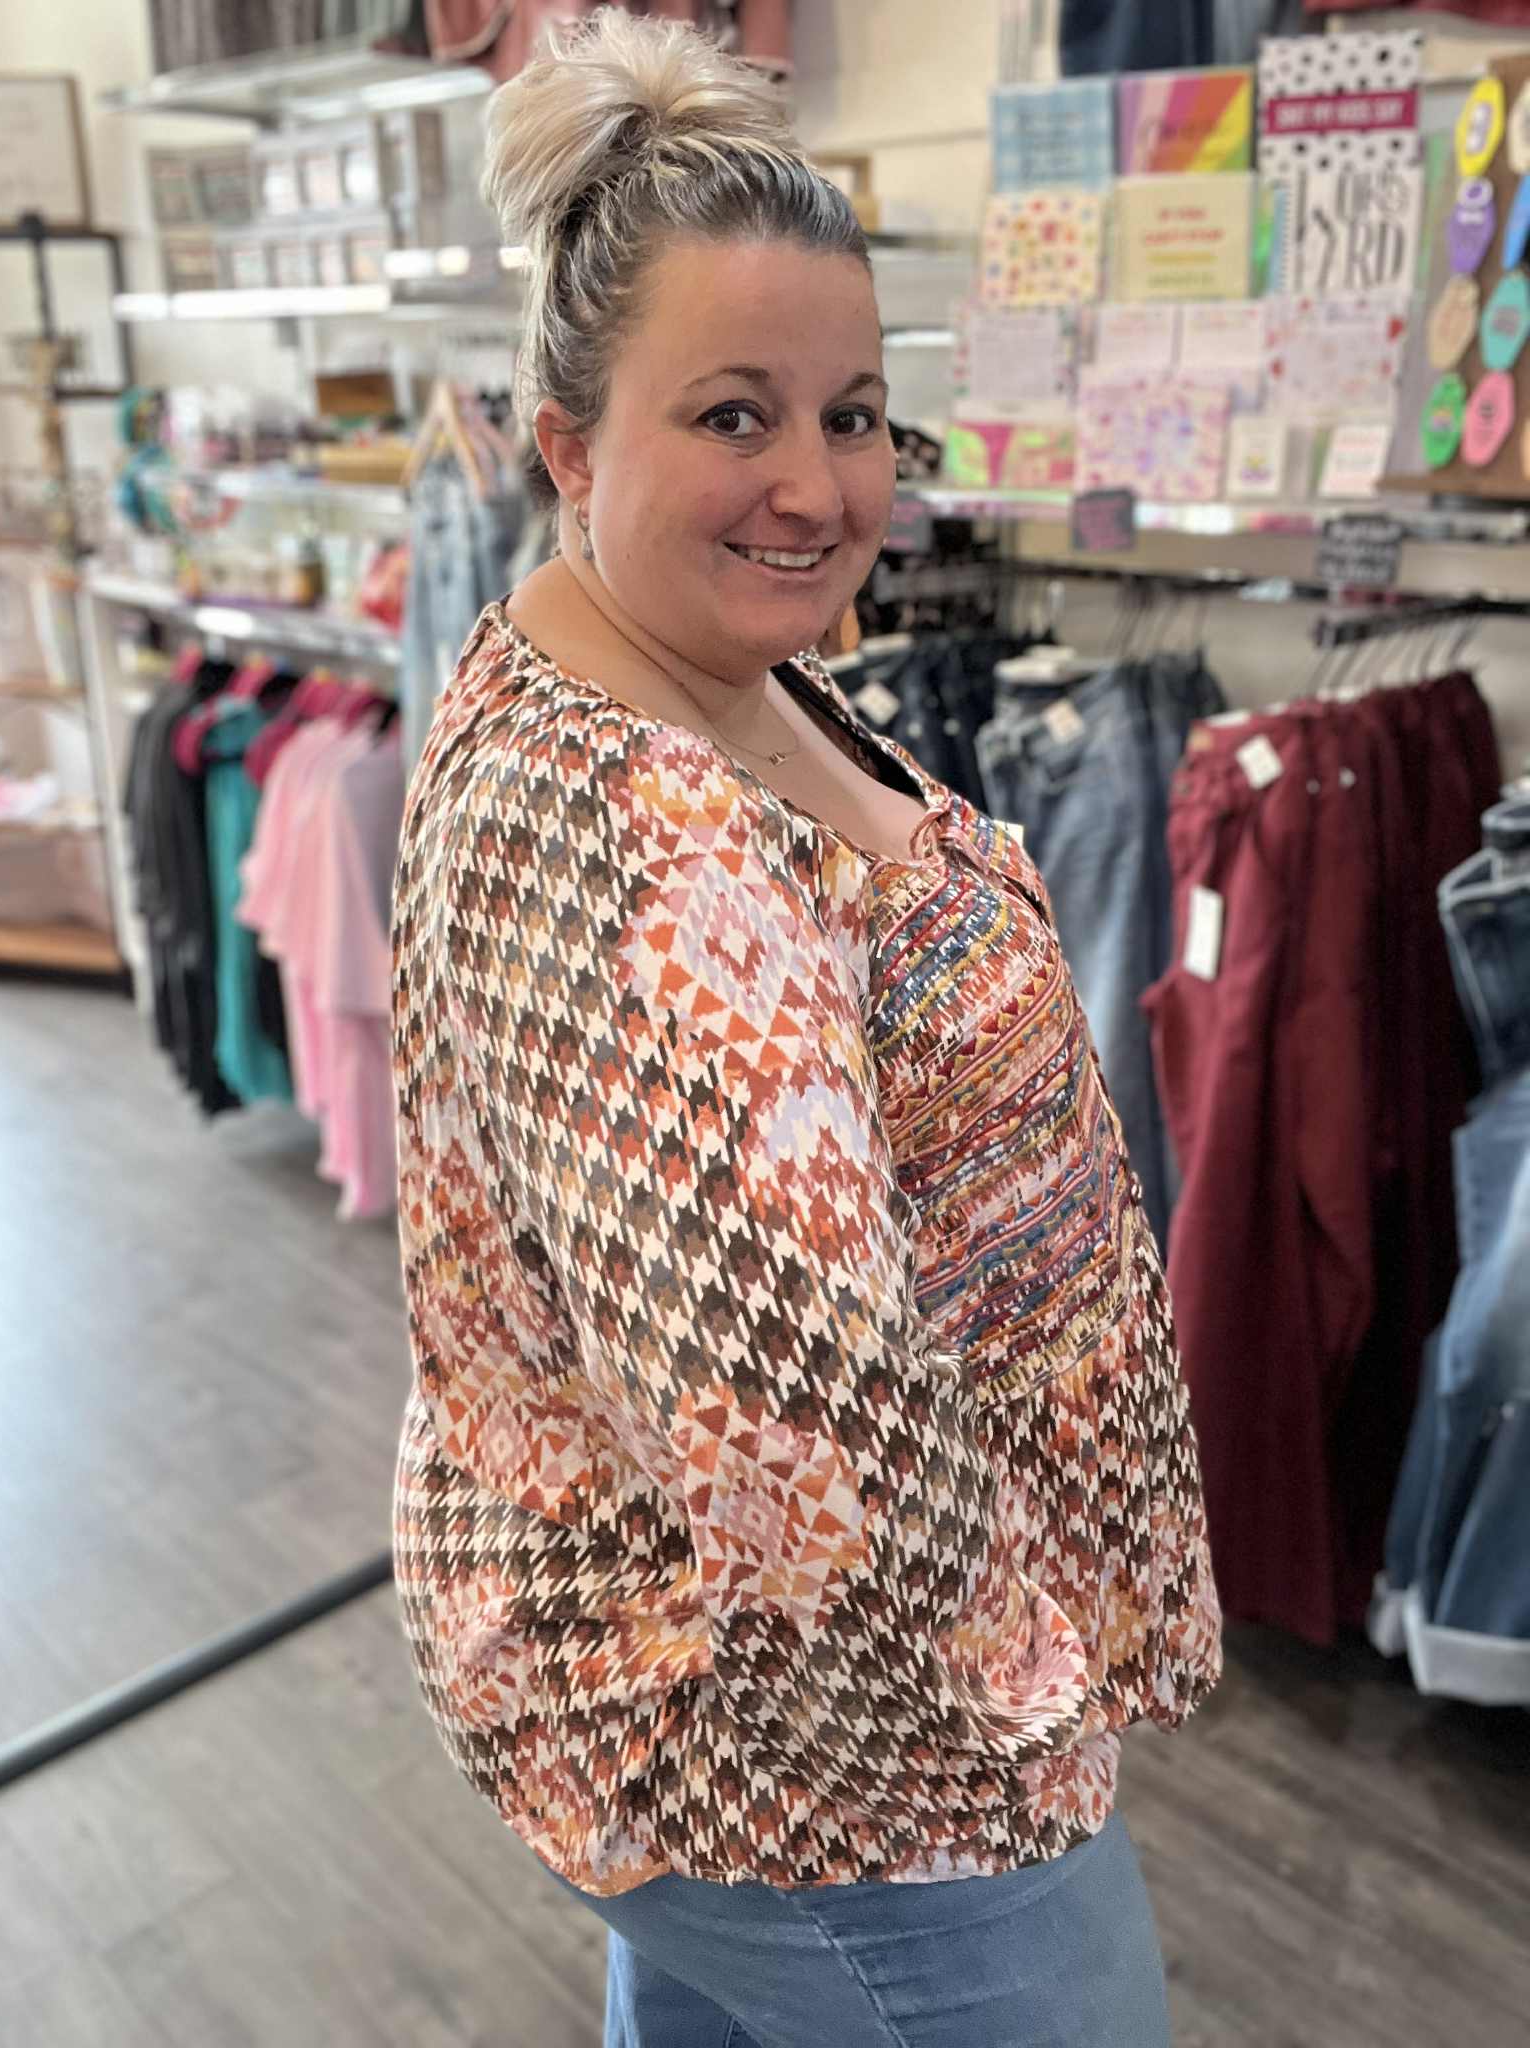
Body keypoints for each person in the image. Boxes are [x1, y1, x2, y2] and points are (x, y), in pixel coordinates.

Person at [390, 12, 1223, 2044]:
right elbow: (788, 1411)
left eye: (853, 415)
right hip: (836, 1745)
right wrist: (1030, 1676)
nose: (814, 483)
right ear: (568, 443)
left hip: (796, 1681)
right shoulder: (611, 825)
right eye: (733, 415)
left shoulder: (710, 671)